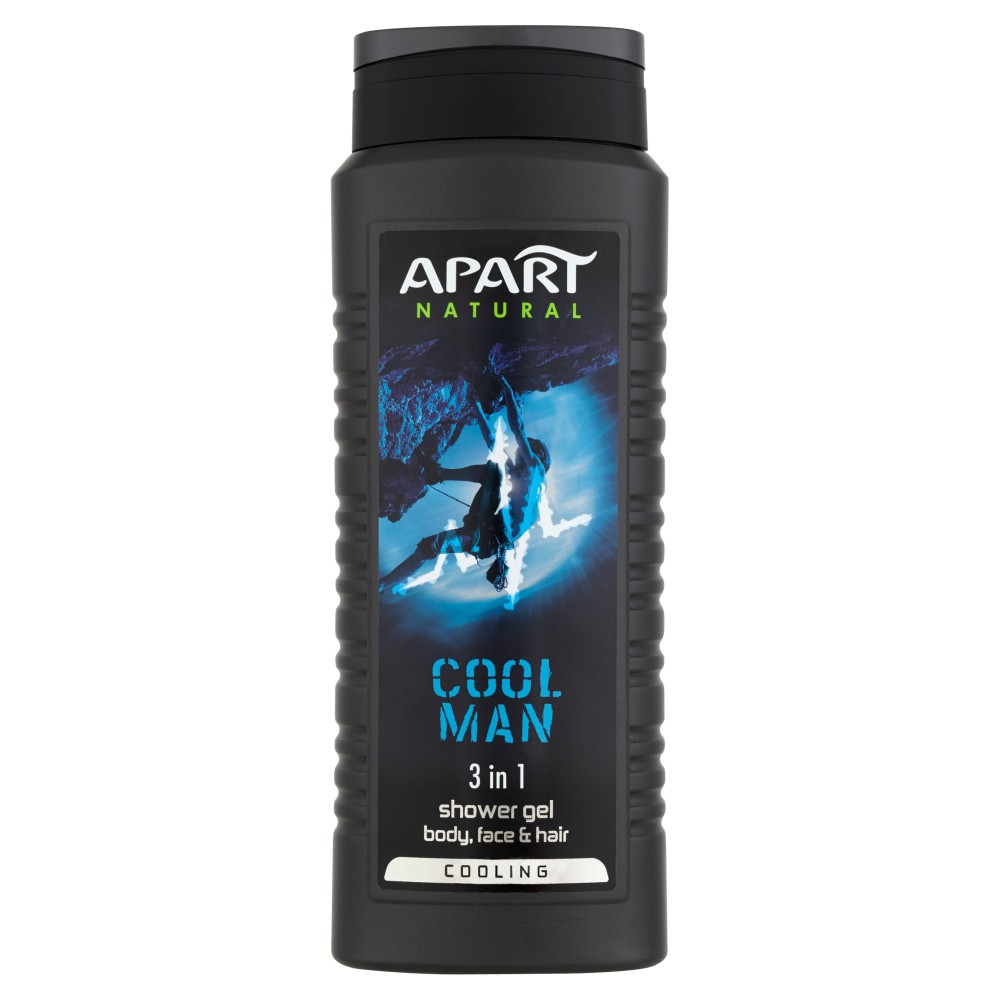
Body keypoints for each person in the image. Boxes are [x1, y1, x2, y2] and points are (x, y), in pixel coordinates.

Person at [379, 375, 551, 594]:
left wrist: (508, 390)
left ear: (534, 455)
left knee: (493, 472)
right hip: (486, 539)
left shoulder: (536, 469)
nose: (516, 459)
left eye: (519, 456)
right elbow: (493, 442)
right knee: (427, 548)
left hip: (487, 537)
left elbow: (519, 429)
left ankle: (438, 473)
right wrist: (476, 406)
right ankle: (382, 584)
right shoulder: (528, 483)